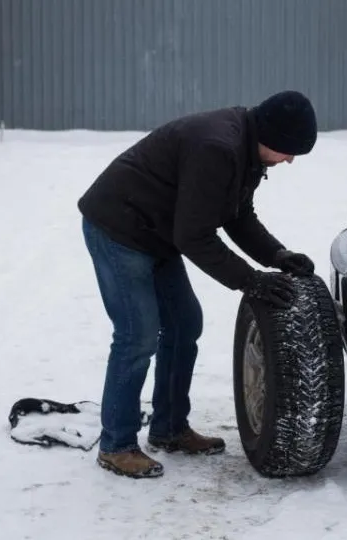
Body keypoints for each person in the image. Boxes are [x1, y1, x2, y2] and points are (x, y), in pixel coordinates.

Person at [76, 90, 319, 479]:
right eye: (289, 151)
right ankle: (117, 445)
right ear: (270, 134)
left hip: (158, 231)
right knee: (137, 335)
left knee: (184, 324)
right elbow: (194, 236)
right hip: (119, 229)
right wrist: (250, 281)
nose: (289, 160)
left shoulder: (247, 148)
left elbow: (237, 216)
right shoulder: (217, 148)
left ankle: (169, 428)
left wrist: (277, 255)